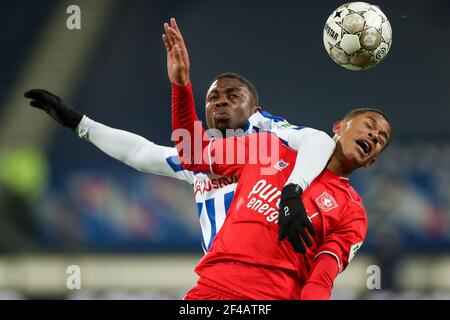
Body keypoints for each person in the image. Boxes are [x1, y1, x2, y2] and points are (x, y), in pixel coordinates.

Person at [23, 18, 335, 254]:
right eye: (213, 98)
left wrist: (295, 189)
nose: (221, 101)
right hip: (220, 280)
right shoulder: (201, 156)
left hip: (273, 276)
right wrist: (79, 123)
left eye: (233, 95)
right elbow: (140, 153)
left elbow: (318, 140)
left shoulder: (274, 136)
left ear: (256, 108)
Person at [168, 18, 392, 299]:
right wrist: (180, 84)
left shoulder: (352, 213)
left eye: (381, 140)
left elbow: (319, 282)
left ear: (370, 161)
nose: (374, 137)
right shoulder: (267, 149)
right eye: (369, 126)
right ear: (338, 127)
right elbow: (191, 153)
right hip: (210, 292)